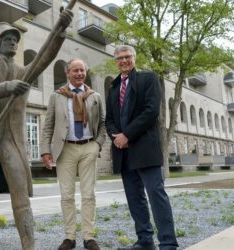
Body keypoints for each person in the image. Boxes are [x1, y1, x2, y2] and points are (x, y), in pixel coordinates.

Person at [0, 10, 72, 250]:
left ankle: (29, 245)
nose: (13, 42)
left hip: (13, 143)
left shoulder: (23, 73)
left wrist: (59, 32)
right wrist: (7, 86)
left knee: (21, 198)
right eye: (8, 38)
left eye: (15, 39)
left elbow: (45, 57)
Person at [105, 45, 178, 250]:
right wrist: (117, 137)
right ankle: (145, 240)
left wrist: (127, 134)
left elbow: (151, 110)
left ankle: (168, 243)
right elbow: (109, 119)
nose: (123, 61)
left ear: (134, 58)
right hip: (123, 152)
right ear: (116, 62)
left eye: (127, 57)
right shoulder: (113, 87)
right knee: (135, 198)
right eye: (119, 58)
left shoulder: (148, 79)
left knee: (156, 195)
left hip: (145, 148)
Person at [40, 58, 106, 250]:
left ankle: (89, 237)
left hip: (88, 148)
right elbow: (49, 125)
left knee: (88, 194)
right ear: (68, 73)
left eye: (82, 70)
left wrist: (97, 145)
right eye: (75, 70)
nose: (79, 74)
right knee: (66, 195)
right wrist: (45, 150)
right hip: (65, 149)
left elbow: (103, 124)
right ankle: (69, 237)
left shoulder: (95, 96)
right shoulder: (57, 96)